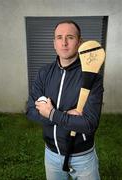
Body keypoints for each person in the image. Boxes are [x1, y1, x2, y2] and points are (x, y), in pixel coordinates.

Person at [26, 20, 104, 180]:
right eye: (59, 37)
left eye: (70, 37)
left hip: (83, 157)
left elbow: (89, 124)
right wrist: (64, 116)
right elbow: (30, 111)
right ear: (54, 43)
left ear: (80, 43)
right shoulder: (44, 73)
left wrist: (51, 113)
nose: (64, 42)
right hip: (52, 154)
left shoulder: (91, 77)